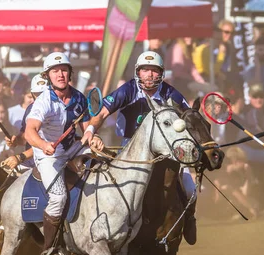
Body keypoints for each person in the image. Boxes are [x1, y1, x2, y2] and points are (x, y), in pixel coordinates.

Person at [82, 51, 200, 245]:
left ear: (161, 73)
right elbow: (102, 112)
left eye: (154, 71)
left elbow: (188, 117)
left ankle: (189, 220)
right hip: (131, 150)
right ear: (138, 72)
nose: (149, 75)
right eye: (145, 70)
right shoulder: (128, 90)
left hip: (165, 151)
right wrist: (90, 130)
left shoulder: (170, 93)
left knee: (189, 188)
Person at [23, 52, 102, 255]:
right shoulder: (44, 101)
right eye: (55, 71)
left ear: (70, 73)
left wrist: (91, 137)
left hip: (71, 147)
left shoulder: (78, 97)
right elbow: (29, 132)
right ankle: (49, 250)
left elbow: (86, 126)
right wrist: (42, 145)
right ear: (48, 76)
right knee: (58, 197)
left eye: (64, 70)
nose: (60, 74)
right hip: (48, 155)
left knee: (102, 162)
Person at [3, 74, 47, 171]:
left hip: (48, 163)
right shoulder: (30, 109)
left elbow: (47, 145)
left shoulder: (55, 110)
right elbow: (25, 138)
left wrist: (20, 157)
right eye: (37, 93)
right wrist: (16, 140)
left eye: (43, 93)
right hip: (29, 163)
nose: (40, 97)